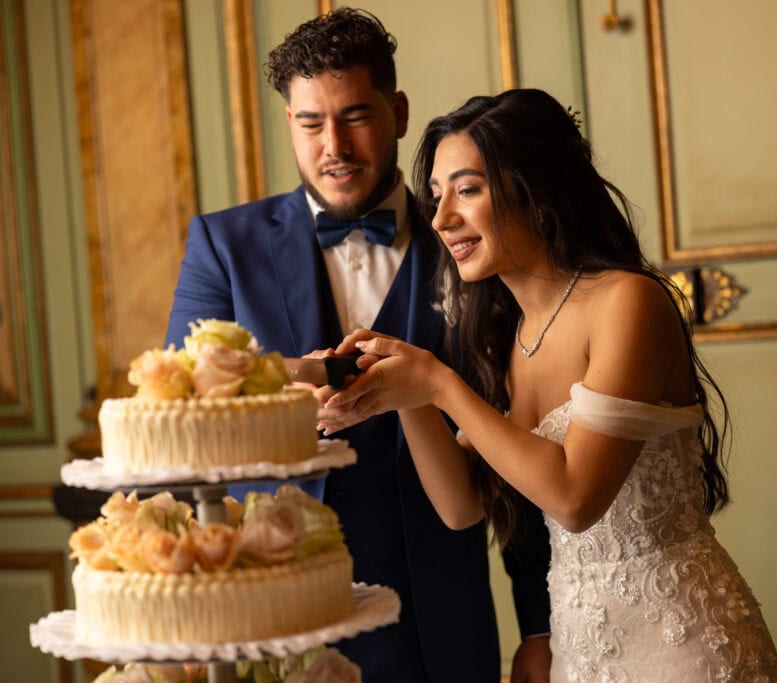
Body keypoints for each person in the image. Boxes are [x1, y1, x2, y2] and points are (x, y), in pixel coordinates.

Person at [317, 88, 777, 681]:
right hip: (581, 649)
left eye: (467, 190)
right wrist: (404, 395)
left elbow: (574, 497)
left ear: (536, 191)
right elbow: (460, 507)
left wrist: (438, 384)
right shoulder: (511, 335)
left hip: (680, 645)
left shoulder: (627, 302)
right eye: (436, 196)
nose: (440, 219)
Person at [164, 9, 552, 682]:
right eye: (310, 123)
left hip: (436, 619)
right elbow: (180, 412)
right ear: (288, 122)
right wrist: (286, 386)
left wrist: (540, 623)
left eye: (355, 116)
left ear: (398, 112)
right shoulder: (223, 246)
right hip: (270, 615)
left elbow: (530, 441)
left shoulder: (476, 244)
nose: (334, 145)